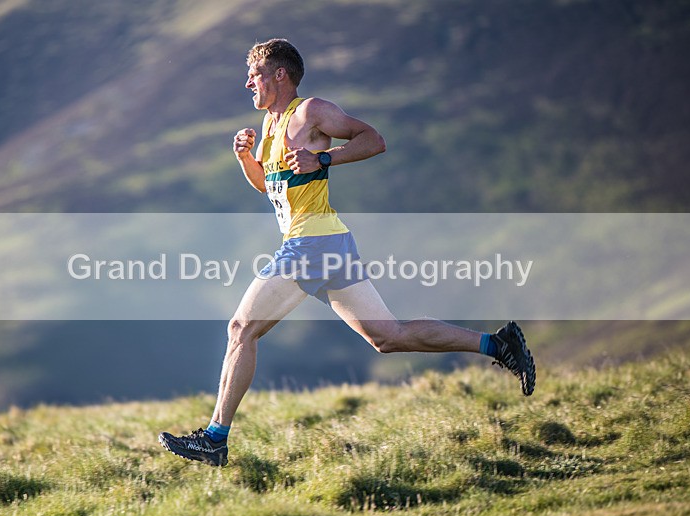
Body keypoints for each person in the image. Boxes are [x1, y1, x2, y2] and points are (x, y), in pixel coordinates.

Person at [159, 38, 535, 467]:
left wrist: (325, 160)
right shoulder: (269, 126)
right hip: (327, 243)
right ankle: (498, 344)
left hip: (312, 244)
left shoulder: (311, 111)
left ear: (280, 75)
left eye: (256, 75)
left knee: (241, 328)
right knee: (388, 337)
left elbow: (374, 140)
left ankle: (215, 438)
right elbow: (268, 185)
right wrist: (245, 158)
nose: (248, 83)